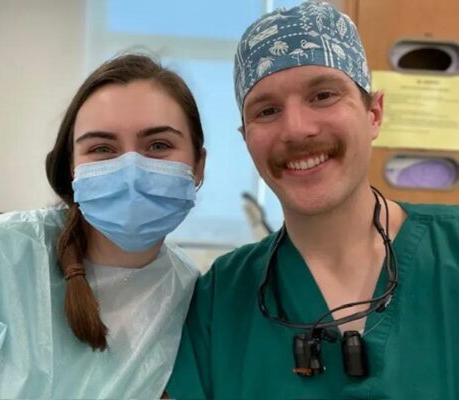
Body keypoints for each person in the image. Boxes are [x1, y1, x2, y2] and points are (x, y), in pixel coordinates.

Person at [166, 2, 459, 399]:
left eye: (322, 95)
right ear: (246, 138)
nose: (297, 129)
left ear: (374, 113)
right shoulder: (219, 300)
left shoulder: (450, 252)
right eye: (267, 110)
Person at [0, 54, 206, 399]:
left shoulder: (192, 297)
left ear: (198, 166)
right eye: (102, 148)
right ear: (72, 170)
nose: (131, 170)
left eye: (158, 145)